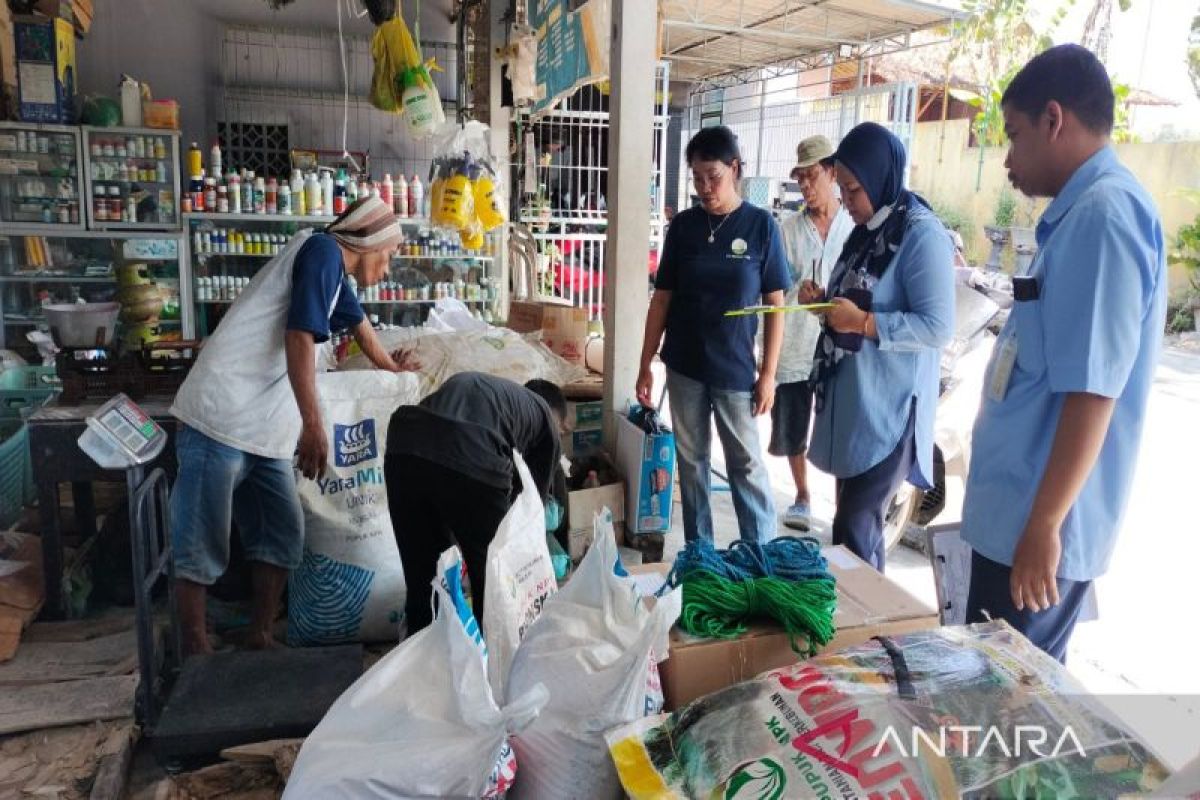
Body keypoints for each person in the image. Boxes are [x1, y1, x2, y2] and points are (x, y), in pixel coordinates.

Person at [960, 44, 1166, 662]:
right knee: (990, 694)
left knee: (1007, 708)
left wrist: (1045, 525)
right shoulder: (1078, 215)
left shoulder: (1104, 215)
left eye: (1015, 136)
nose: (1007, 161)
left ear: (1054, 120)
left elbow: (1094, 390)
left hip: (1034, 532)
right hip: (1018, 520)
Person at [169, 196, 415, 656]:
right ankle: (194, 647)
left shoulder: (333, 271)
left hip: (262, 429)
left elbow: (358, 321)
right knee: (200, 540)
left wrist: (392, 370)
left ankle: (259, 634)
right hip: (220, 415)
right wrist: (313, 424)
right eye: (392, 253)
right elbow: (299, 334)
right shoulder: (322, 252)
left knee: (281, 532)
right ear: (371, 242)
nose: (390, 265)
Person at [800, 122, 955, 571]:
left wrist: (866, 323)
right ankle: (856, 621)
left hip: (889, 408)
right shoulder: (866, 231)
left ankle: (867, 630)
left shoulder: (921, 235)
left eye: (852, 190)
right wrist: (822, 306)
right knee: (849, 528)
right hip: (854, 406)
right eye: (842, 190)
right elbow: (848, 303)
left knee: (855, 528)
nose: (845, 202)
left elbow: (937, 326)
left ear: (879, 176)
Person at [636, 125, 791, 544]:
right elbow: (662, 300)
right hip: (684, 365)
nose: (705, 188)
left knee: (745, 464)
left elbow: (776, 305)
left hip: (736, 371)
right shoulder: (684, 228)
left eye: (714, 177)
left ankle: (760, 557)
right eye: (697, 178)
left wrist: (769, 374)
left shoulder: (761, 227)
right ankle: (700, 555)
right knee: (691, 464)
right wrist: (645, 364)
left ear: (735, 169)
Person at [384, 373, 567, 634]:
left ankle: (426, 663)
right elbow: (530, 511)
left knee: (426, 578)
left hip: (404, 444)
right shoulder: (546, 421)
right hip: (471, 449)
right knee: (492, 580)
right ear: (562, 423)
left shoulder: (497, 394)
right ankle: (493, 665)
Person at [771, 135, 853, 531]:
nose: (805, 185)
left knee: (839, 424)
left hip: (840, 345)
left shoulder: (854, 227)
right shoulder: (787, 231)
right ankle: (802, 494)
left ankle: (842, 504)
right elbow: (774, 289)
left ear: (832, 173)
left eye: (812, 176)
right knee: (794, 424)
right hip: (796, 343)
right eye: (799, 178)